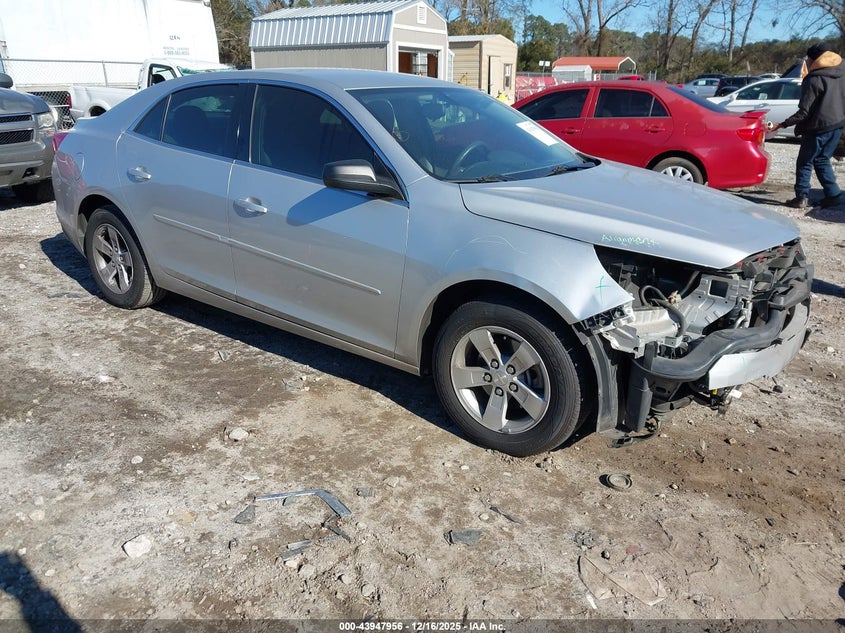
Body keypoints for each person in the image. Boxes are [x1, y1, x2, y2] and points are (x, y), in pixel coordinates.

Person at [770, 42, 845, 209]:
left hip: (817, 127)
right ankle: (833, 194)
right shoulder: (842, 72)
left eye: (808, 60)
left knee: (805, 162)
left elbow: (804, 112)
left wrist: (781, 125)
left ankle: (801, 197)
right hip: (837, 125)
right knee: (822, 159)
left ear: (813, 60)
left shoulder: (814, 79)